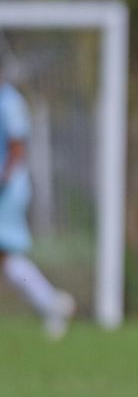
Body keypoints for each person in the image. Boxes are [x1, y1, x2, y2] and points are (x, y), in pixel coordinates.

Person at [0, 66, 75, 339]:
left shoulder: (9, 102)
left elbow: (18, 147)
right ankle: (51, 303)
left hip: (6, 192)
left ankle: (51, 302)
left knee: (6, 256)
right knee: (6, 259)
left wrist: (3, 180)